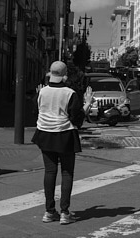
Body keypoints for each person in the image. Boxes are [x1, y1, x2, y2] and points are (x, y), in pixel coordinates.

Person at [31, 61, 94, 225]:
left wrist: (40, 95)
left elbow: (36, 110)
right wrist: (88, 102)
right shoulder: (70, 93)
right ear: (65, 74)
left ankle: (49, 211)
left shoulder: (42, 92)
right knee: (67, 172)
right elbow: (77, 119)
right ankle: (65, 212)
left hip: (45, 134)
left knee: (49, 172)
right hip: (65, 135)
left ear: (49, 73)